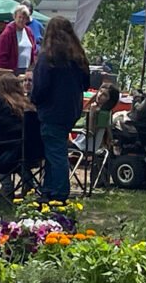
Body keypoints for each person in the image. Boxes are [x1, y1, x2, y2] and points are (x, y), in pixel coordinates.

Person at [31, 16, 90, 202]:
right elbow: (86, 84)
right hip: (71, 109)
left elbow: (40, 88)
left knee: (56, 153)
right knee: (54, 150)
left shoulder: (48, 58)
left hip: (52, 110)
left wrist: (34, 100)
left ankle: (59, 193)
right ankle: (48, 189)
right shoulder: (78, 58)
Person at [70, 83, 120, 151]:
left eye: (104, 95)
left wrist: (92, 113)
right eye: (100, 91)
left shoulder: (101, 113)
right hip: (84, 145)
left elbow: (90, 133)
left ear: (110, 100)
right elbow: (108, 129)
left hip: (84, 147)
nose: (100, 95)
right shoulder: (106, 112)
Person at [0, 5, 37, 74]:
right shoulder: (7, 33)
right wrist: (7, 72)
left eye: (24, 18)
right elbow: (1, 56)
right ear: (15, 17)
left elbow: (34, 50)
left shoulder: (29, 32)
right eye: (19, 17)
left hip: (28, 71)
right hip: (12, 71)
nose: (21, 20)